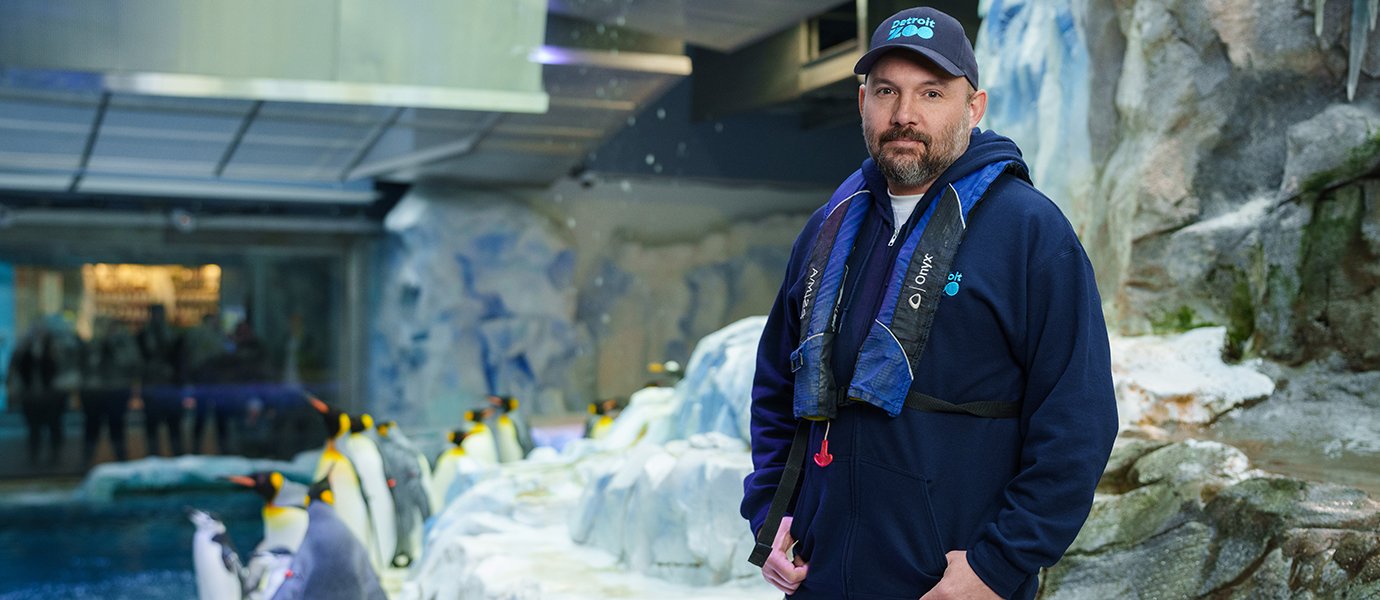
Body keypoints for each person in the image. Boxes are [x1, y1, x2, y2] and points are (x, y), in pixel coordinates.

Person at [739, 7, 1118, 600]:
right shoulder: (827, 229)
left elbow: (1078, 421)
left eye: (932, 93)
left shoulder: (1029, 232)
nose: (904, 114)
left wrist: (998, 565)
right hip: (820, 581)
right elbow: (775, 391)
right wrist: (773, 513)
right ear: (861, 101)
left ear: (975, 107)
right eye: (886, 91)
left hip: (949, 588)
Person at [80, 317, 142, 463]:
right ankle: (87, 460)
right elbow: (85, 367)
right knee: (92, 427)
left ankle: (120, 460)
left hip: (115, 390)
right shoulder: (91, 345)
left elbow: (132, 363)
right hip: (95, 392)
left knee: (117, 426)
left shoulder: (122, 344)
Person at [137, 304, 186, 456]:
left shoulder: (173, 335)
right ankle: (155, 457)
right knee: (153, 426)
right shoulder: (144, 336)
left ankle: (176, 457)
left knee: (173, 426)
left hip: (169, 386)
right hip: (153, 386)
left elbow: (180, 360)